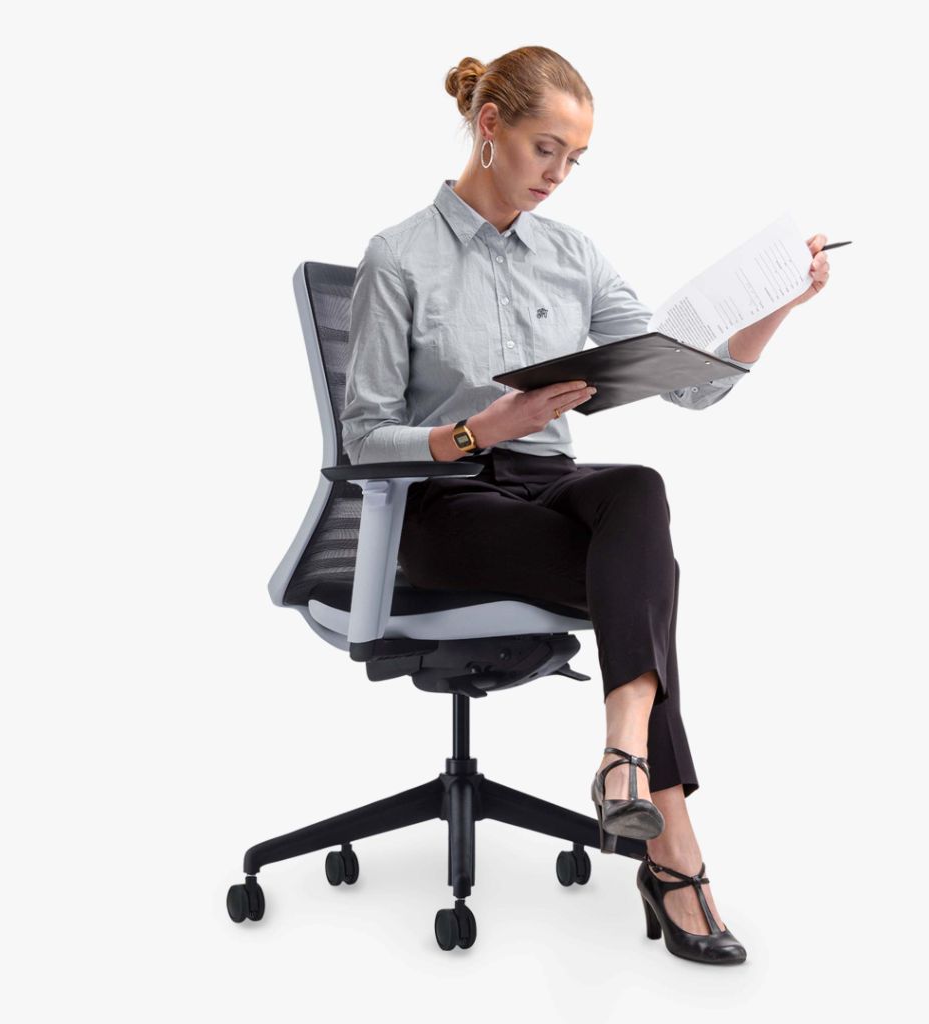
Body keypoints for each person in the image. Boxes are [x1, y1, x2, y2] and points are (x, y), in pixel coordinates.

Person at [339, 46, 831, 965]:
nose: (559, 176)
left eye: (575, 160)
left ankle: (625, 749)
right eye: (544, 149)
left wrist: (778, 308)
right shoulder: (397, 257)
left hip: (549, 486)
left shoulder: (574, 257)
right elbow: (362, 438)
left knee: (639, 490)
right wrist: (482, 428)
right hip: (444, 504)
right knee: (645, 583)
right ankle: (673, 854)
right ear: (490, 128)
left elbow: (685, 384)